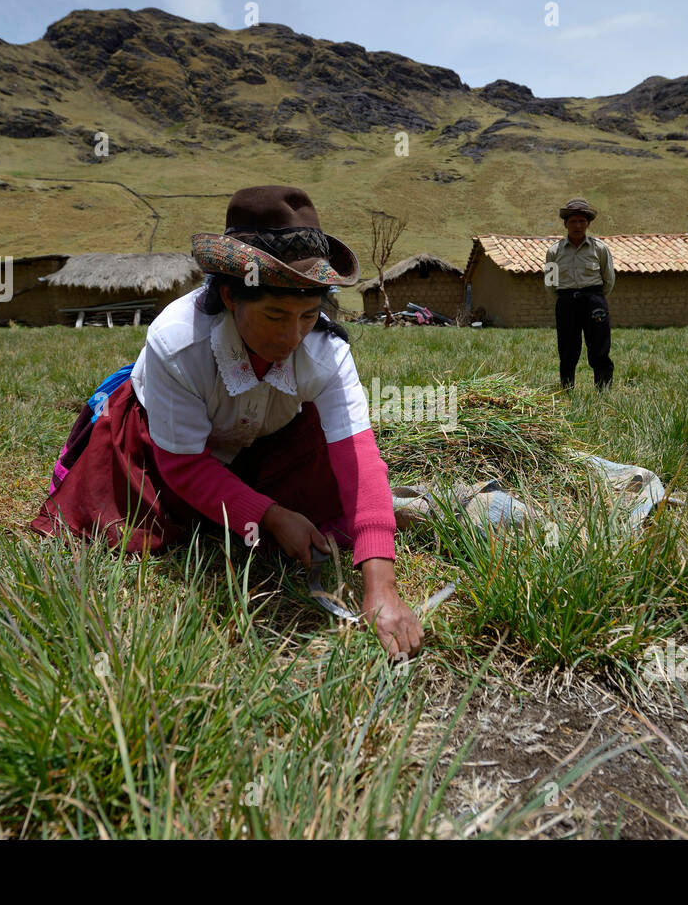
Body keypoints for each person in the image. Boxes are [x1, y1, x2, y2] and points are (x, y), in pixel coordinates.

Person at [30, 185, 424, 660]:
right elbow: (182, 465)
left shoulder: (325, 351)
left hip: (262, 443)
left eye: (308, 315)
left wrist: (381, 590)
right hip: (164, 453)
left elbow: (358, 460)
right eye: (275, 315)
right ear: (228, 297)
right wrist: (271, 515)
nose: (293, 335)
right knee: (133, 523)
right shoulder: (178, 343)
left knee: (332, 487)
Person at [543, 197, 615, 390]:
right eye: (573, 221)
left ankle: (604, 391)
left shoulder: (600, 249)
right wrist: (564, 299)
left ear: (588, 223)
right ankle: (567, 389)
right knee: (567, 349)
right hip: (566, 303)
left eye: (582, 221)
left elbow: (609, 280)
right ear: (565, 224)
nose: (577, 225)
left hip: (594, 302)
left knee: (599, 348)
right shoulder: (553, 251)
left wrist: (594, 297)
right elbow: (550, 283)